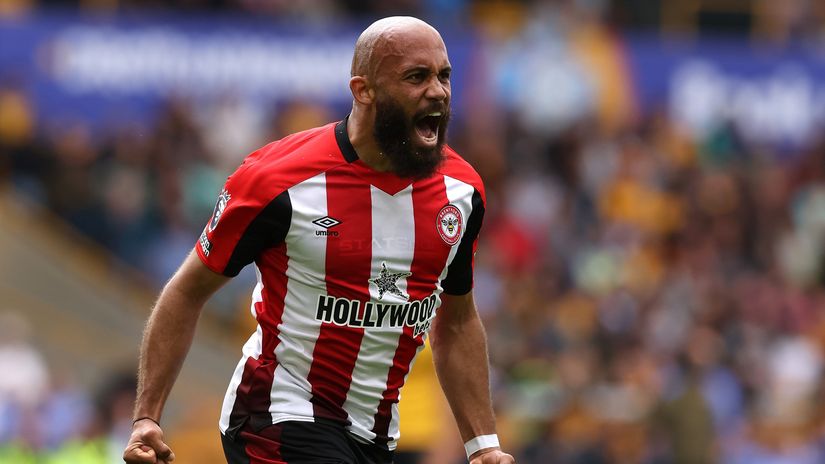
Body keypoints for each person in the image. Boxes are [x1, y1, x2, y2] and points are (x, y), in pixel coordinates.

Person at [123, 16, 515, 464]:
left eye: (444, 76)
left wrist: (483, 444)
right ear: (363, 89)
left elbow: (459, 321)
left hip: (377, 436)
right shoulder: (274, 180)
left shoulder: (463, 192)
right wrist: (147, 417)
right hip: (276, 415)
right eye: (416, 77)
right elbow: (187, 293)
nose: (438, 91)